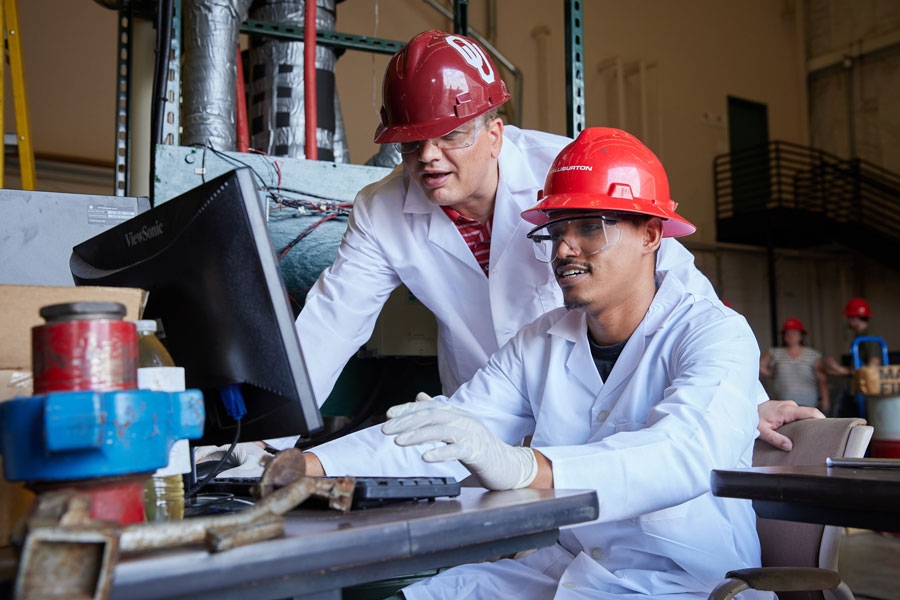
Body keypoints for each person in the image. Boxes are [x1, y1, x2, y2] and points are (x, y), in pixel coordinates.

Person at [276, 29, 817, 453]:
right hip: (486, 413)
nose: (429, 158)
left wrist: (739, 403)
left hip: (593, 408)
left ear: (494, 132)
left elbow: (674, 283)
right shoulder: (382, 208)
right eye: (412, 143)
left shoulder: (563, 170)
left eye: (451, 135)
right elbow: (330, 323)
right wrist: (264, 436)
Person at [303, 127, 768, 598]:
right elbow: (438, 435)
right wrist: (304, 466)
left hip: (688, 582)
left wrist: (529, 469)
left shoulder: (713, 333)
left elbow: (683, 454)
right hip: (568, 567)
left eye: (589, 227)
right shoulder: (540, 342)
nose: (565, 249)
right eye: (557, 231)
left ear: (650, 234)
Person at [823, 297, 882, 417]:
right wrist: (837, 370)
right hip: (856, 389)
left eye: (849, 317)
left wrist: (842, 370)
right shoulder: (859, 337)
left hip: (866, 392)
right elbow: (858, 367)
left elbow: (872, 367)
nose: (847, 321)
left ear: (854, 318)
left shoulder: (869, 338)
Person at [759, 317, 830, 414]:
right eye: (788, 333)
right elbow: (759, 365)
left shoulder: (812, 354)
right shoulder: (776, 352)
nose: (791, 335)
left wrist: (825, 400)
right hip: (783, 401)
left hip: (808, 400)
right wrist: (774, 375)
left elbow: (822, 378)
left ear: (801, 335)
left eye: (794, 332)